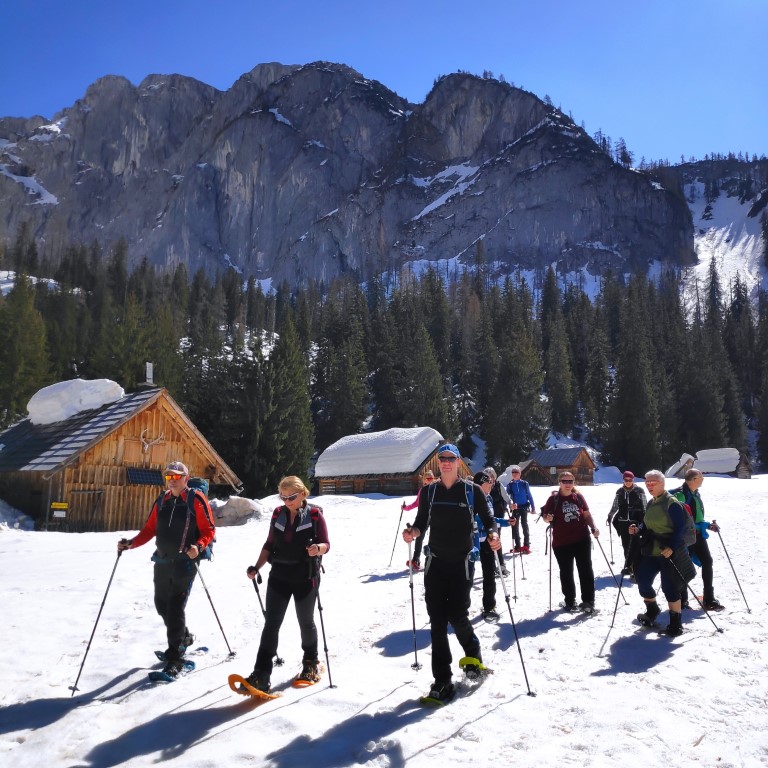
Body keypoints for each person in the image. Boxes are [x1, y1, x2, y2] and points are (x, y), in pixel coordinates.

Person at [403, 443, 501, 703]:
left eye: (451, 458)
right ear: (438, 462)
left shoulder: (472, 491)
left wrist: (493, 533)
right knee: (436, 622)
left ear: (458, 461)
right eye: (442, 458)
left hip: (462, 564)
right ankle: (442, 680)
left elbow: (489, 519)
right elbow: (422, 522)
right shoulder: (429, 492)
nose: (446, 462)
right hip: (435, 564)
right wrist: (413, 532)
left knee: (457, 615)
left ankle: (473, 656)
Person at [117, 460, 216, 678]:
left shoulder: (196, 500)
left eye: (176, 476)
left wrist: (198, 547)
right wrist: (131, 543)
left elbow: (209, 530)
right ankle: (184, 637)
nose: (172, 481)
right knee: (161, 605)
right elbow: (150, 529)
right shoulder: (162, 500)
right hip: (162, 560)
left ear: (186, 478)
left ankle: (175, 657)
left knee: (175, 605)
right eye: (169, 477)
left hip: (185, 562)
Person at [242, 476, 330, 693]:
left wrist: (317, 549)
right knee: (271, 624)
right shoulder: (277, 514)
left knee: (305, 621)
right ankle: (261, 674)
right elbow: (270, 544)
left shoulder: (315, 515)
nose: (286, 501)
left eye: (291, 497)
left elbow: (326, 544)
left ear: (302, 494)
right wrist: (257, 566)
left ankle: (311, 663)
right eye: (283, 497)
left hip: (305, 577)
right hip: (279, 575)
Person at [629, 470, 696, 636]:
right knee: (643, 580)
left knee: (670, 587)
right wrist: (638, 528)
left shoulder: (671, 503)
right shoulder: (652, 503)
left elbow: (680, 529)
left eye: (653, 483)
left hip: (669, 551)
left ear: (662, 483)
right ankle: (652, 610)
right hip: (652, 549)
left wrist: (672, 547)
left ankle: (676, 624)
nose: (649, 486)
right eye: (647, 483)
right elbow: (647, 524)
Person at [541, 471, 599, 614]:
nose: (568, 484)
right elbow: (546, 517)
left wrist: (593, 527)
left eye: (570, 481)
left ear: (574, 482)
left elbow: (586, 514)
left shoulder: (578, 497)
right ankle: (570, 601)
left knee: (585, 570)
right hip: (562, 542)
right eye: (565, 481)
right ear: (559, 482)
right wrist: (547, 518)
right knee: (566, 572)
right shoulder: (553, 499)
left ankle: (588, 602)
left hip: (582, 539)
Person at [672, 469, 724, 611]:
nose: (703, 478)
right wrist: (699, 526)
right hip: (685, 537)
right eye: (701, 476)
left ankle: (709, 598)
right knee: (683, 567)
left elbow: (696, 518)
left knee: (707, 562)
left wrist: (707, 525)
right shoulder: (681, 495)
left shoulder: (695, 494)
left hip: (698, 535)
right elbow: (679, 519)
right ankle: (682, 600)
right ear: (694, 479)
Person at [472, 471, 511, 620]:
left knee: (489, 575)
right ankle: (459, 609)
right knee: (466, 577)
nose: (492, 484)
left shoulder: (488, 498)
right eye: (489, 482)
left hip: (487, 542)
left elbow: (490, 519)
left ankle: (489, 606)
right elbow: (478, 519)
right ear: (481, 484)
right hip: (472, 542)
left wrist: (505, 522)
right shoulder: (471, 498)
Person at [606, 470, 647, 577]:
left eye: (630, 480)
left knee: (636, 545)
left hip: (636, 521)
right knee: (626, 545)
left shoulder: (639, 491)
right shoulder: (619, 491)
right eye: (626, 480)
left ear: (633, 480)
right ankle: (628, 566)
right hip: (623, 522)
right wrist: (610, 515)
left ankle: (637, 568)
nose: (628, 482)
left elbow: (645, 505)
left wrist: (646, 518)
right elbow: (615, 505)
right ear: (623, 480)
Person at [402, 470, 435, 570]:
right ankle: (416, 559)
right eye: (428, 478)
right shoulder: (422, 491)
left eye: (432, 478)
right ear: (424, 480)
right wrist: (406, 508)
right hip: (422, 516)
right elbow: (416, 503)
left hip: (433, 517)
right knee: (419, 537)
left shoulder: (436, 489)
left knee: (434, 538)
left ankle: (435, 560)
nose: (430, 480)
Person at [506, 465, 535, 554]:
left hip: (524, 507)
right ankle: (517, 546)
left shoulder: (524, 483)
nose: (514, 474)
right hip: (515, 508)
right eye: (513, 472)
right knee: (515, 526)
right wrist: (510, 505)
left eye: (516, 472)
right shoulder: (510, 485)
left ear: (520, 473)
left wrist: (533, 507)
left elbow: (529, 495)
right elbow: (507, 497)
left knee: (524, 525)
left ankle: (526, 545)